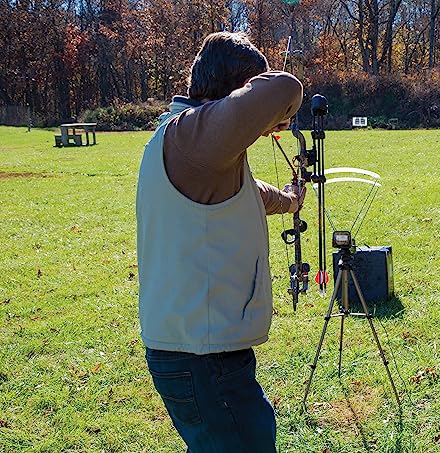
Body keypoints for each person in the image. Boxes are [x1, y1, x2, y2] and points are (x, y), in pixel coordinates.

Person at [135, 31, 304, 452]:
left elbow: (241, 193)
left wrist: (288, 201)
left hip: (199, 354)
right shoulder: (193, 137)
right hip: (201, 360)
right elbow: (285, 87)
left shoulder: (188, 143)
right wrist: (269, 115)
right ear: (236, 94)